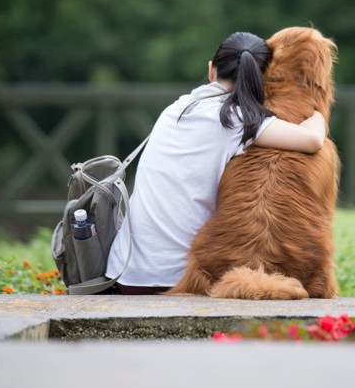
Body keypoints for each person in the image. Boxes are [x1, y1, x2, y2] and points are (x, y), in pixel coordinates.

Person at [105, 31, 326, 294]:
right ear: (260, 79)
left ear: (211, 69)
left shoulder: (177, 107)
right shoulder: (237, 121)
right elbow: (312, 140)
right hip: (178, 279)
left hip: (124, 272)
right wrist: (318, 113)